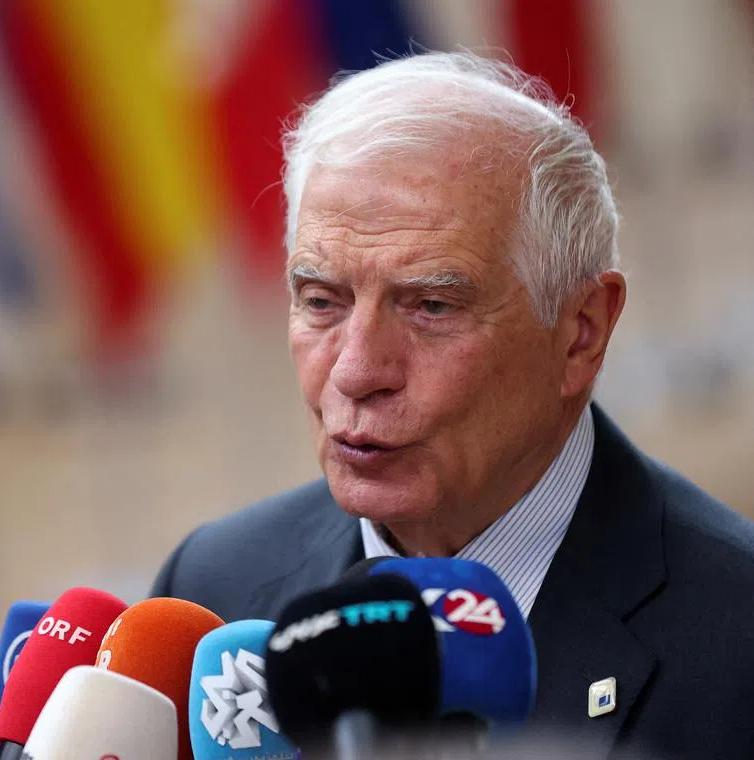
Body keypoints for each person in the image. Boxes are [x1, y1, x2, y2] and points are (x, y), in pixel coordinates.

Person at [150, 51, 754, 759]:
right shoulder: (211, 592)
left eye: (432, 306)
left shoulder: (736, 633)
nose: (354, 371)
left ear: (580, 332)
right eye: (320, 301)